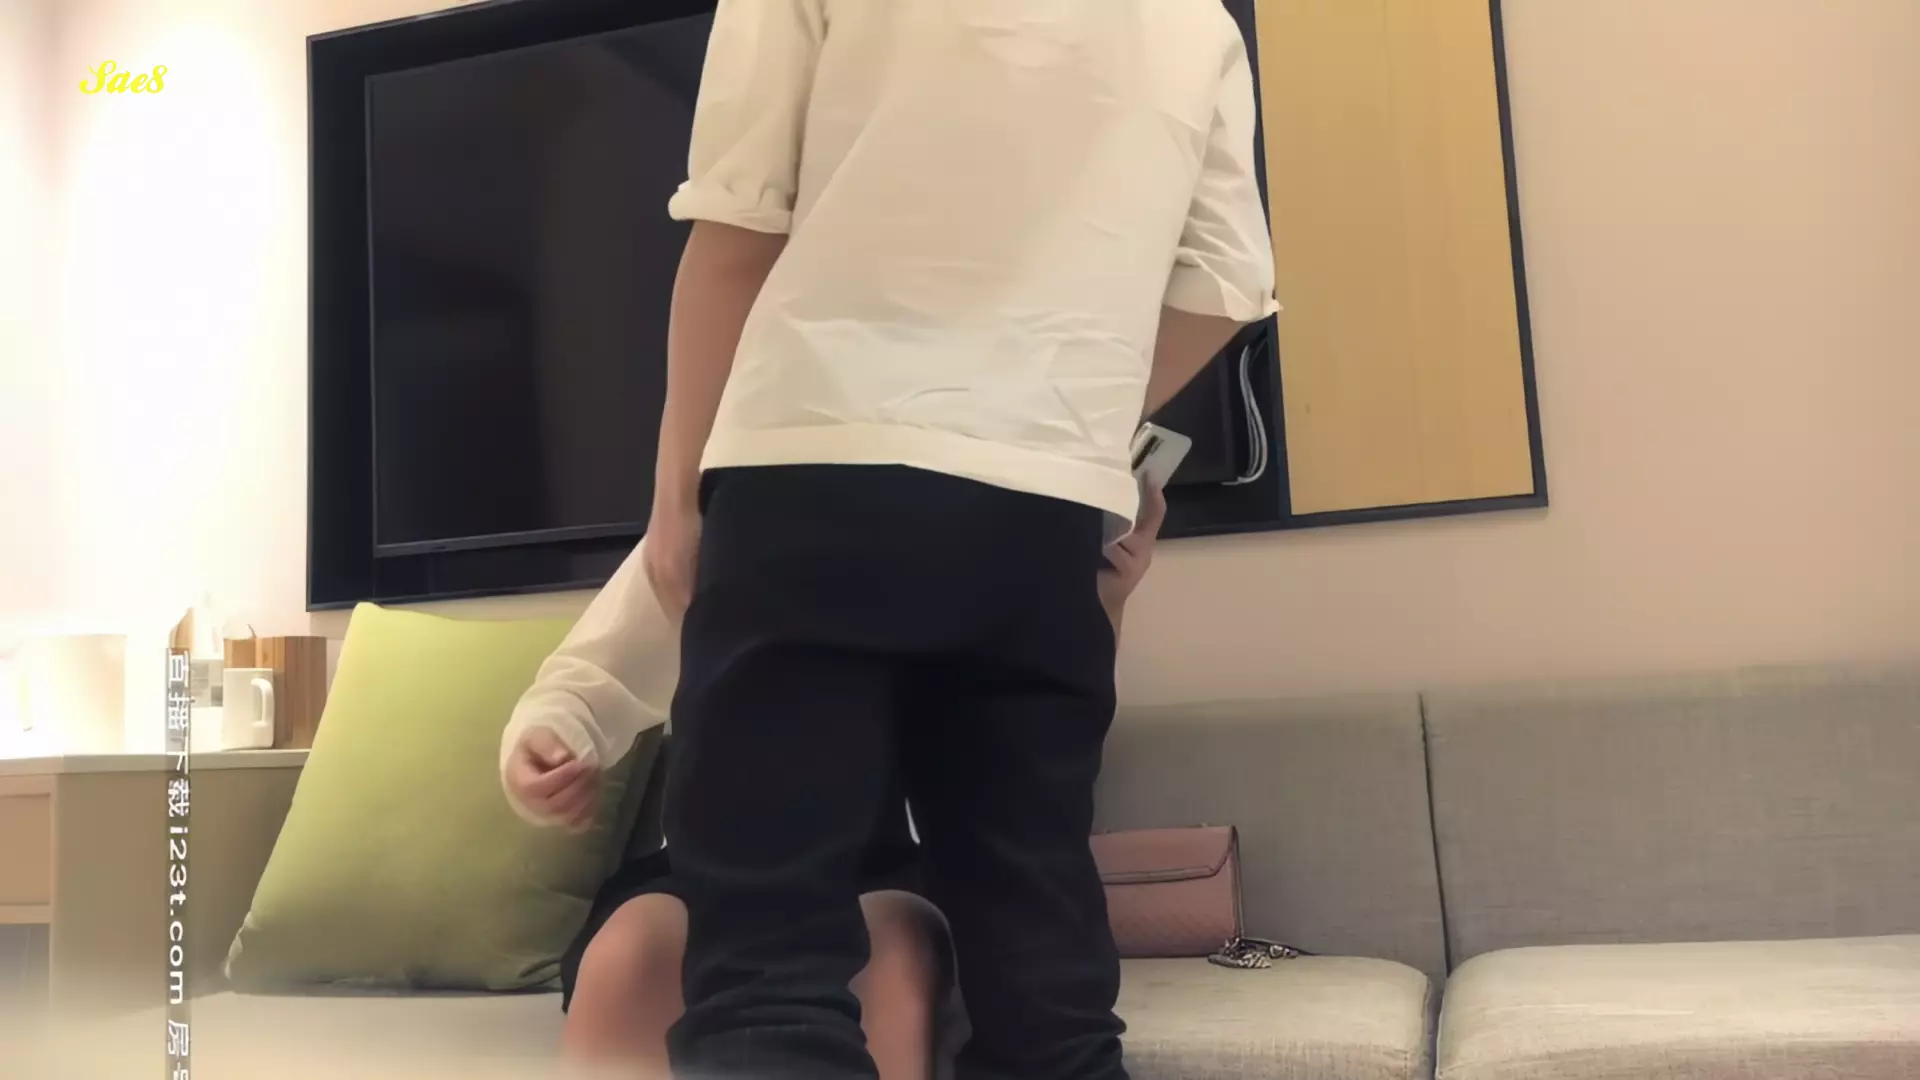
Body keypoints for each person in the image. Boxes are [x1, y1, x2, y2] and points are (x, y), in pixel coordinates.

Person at [640, 2, 1276, 1077]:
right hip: (1039, 516)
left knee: (769, 974)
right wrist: (1055, 420)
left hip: (814, 465)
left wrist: (677, 499)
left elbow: (739, 234)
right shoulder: (1193, 20)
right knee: (1045, 985)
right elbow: (1226, 288)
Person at [501, 487, 1170, 1079]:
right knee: (630, 951)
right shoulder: (733, 509)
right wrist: (552, 738)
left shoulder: (993, 509)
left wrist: (1101, 600)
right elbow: (596, 669)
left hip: (894, 862)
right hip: (726, 851)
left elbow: (1032, 747)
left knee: (888, 953)